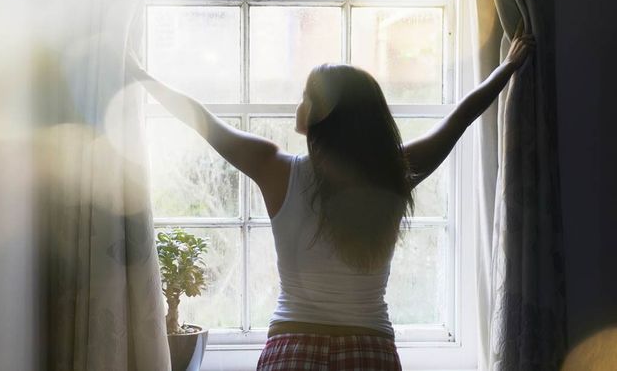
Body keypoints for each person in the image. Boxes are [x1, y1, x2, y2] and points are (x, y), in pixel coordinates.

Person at [126, 29, 534, 370]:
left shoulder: (274, 168)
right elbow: (459, 119)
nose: (297, 104)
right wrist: (507, 68)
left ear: (324, 115)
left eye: (306, 97)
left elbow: (203, 122)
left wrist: (142, 77)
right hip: (370, 351)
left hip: (292, 351)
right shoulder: (394, 173)